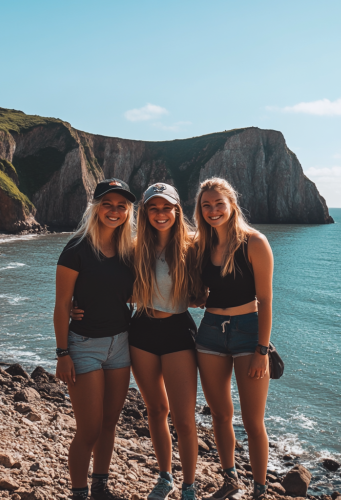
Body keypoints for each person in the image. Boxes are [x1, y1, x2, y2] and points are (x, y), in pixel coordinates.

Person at [54, 178, 136, 500]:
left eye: (121, 206)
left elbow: (136, 292)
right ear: (96, 207)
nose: (114, 211)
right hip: (84, 346)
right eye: (108, 204)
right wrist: (62, 353)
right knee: (88, 429)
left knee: (109, 423)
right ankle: (79, 493)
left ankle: (101, 487)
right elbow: (62, 304)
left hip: (121, 344)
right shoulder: (76, 248)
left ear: (128, 211)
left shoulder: (129, 250)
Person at [193, 177, 274, 500]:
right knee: (220, 414)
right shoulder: (201, 245)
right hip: (210, 331)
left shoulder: (255, 242)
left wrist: (263, 350)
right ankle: (230, 480)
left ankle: (260, 490)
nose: (213, 210)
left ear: (231, 204)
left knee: (254, 422)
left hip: (247, 332)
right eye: (206, 205)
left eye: (218, 204)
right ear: (200, 210)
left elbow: (266, 300)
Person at [129, 183, 199, 500]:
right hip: (142, 330)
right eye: (153, 208)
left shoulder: (192, 246)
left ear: (176, 210)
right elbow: (106, 282)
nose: (160, 214)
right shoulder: (133, 248)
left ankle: (189, 485)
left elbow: (221, 280)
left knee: (184, 418)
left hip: (178, 333)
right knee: (156, 409)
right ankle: (165, 477)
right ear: (145, 212)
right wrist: (77, 305)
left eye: (166, 208)